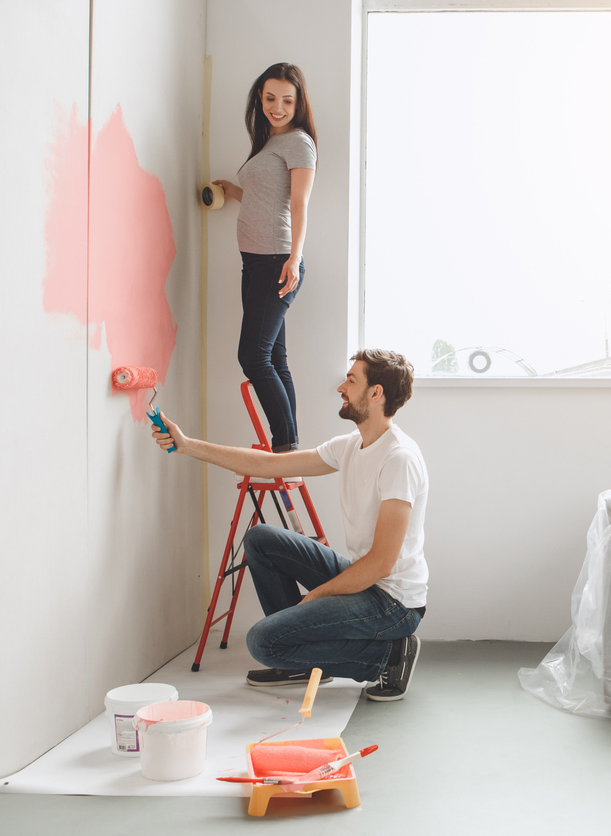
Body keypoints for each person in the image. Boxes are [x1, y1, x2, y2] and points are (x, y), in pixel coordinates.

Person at [151, 350, 427, 701]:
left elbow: (382, 563)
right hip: (365, 578)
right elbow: (268, 465)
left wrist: (317, 595)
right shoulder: (352, 446)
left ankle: (388, 657)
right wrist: (188, 445)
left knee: (262, 642)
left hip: (393, 602)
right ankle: (301, 655)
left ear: (376, 394)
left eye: (352, 380)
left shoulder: (398, 458)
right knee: (261, 539)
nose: (341, 387)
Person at [212, 63, 317, 452]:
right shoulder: (269, 144)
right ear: (261, 97)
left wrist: (294, 257)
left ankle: (285, 447)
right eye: (271, 98)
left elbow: (299, 203)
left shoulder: (299, 142)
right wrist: (235, 192)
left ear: (297, 103)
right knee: (273, 356)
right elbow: (267, 197)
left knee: (253, 357)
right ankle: (288, 445)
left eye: (287, 101)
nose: (278, 107)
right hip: (256, 261)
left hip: (277, 261)